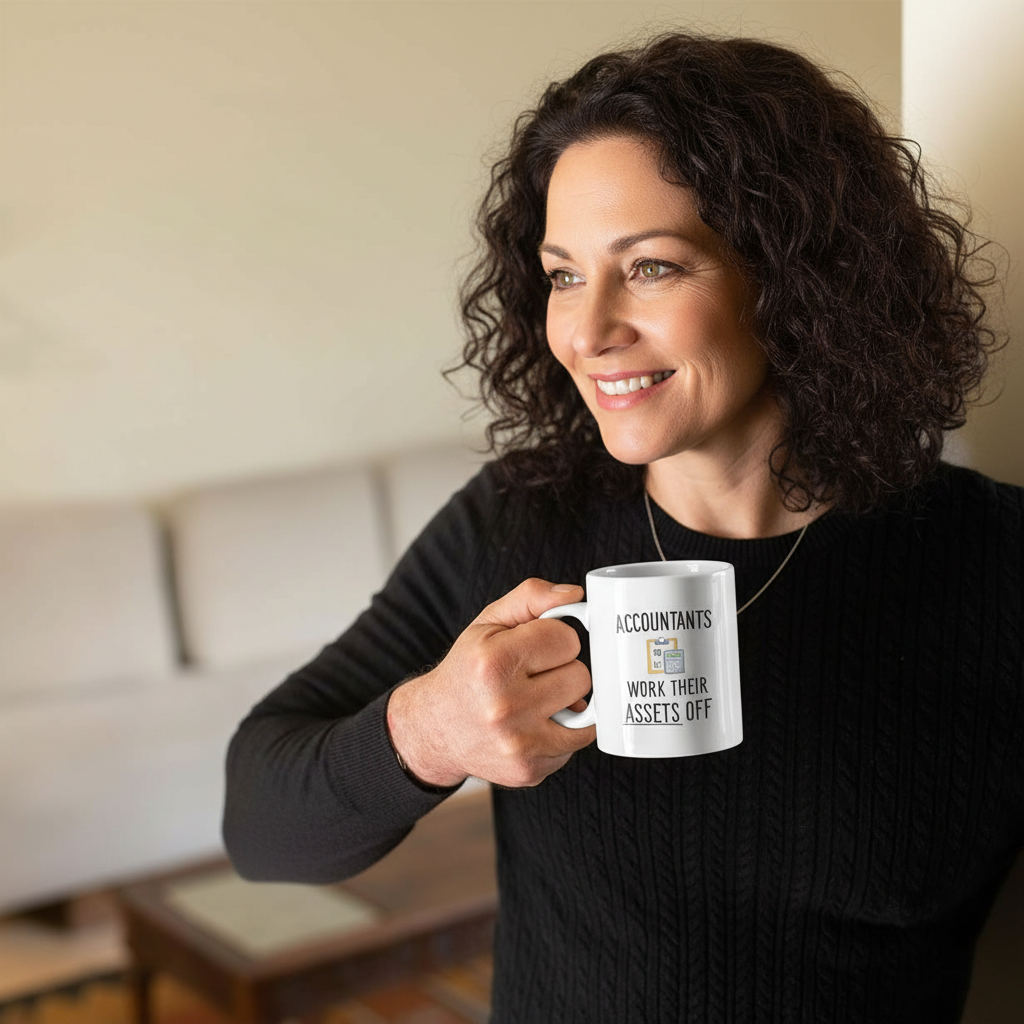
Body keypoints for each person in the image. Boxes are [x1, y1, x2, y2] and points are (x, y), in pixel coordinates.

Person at [222, 32, 1024, 1023]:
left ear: (797, 279)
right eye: (564, 275)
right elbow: (260, 825)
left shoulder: (996, 565)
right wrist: (429, 733)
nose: (588, 331)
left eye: (649, 267)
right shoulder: (519, 518)